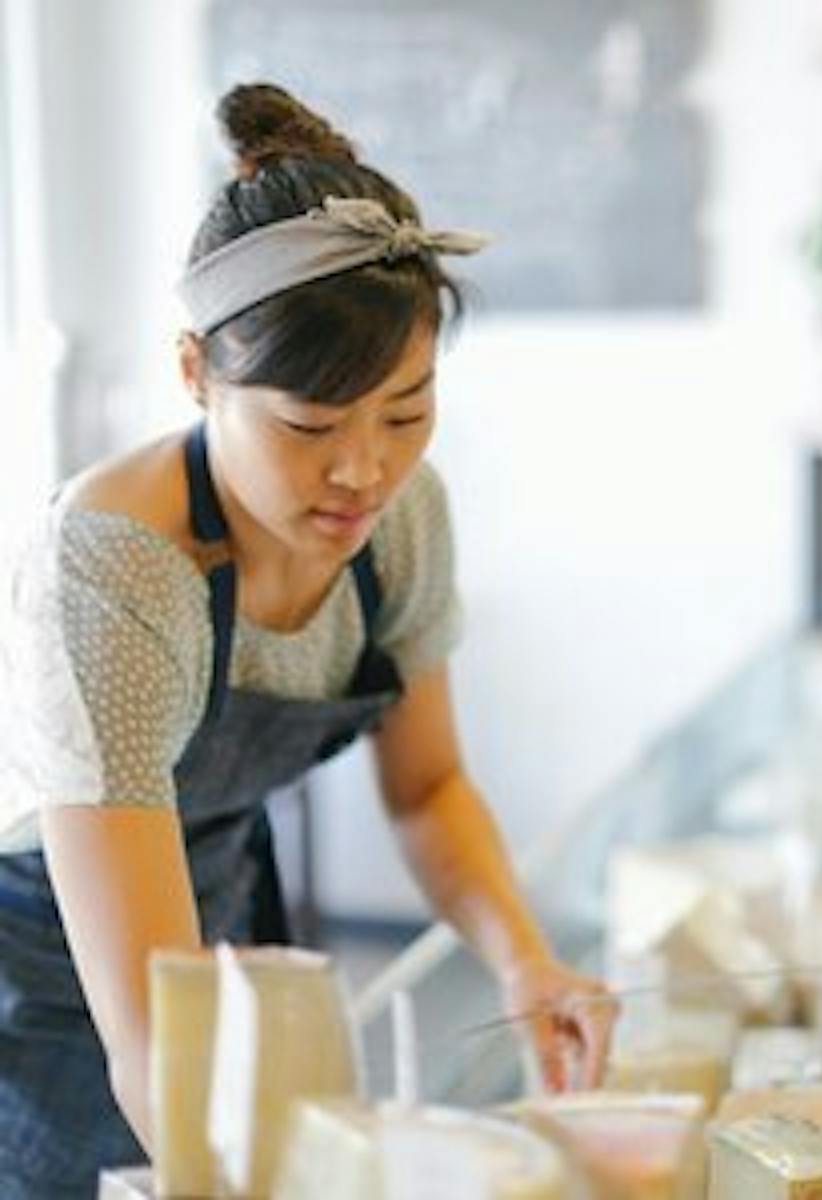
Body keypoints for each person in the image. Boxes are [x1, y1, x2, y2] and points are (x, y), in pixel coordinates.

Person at [0, 82, 614, 1198]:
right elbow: (147, 1022)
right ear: (197, 374)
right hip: (41, 949)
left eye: (407, 409)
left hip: (221, 899)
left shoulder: (402, 521)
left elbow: (428, 791)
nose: (363, 471)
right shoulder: (116, 570)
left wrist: (525, 961)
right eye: (309, 426)